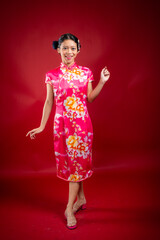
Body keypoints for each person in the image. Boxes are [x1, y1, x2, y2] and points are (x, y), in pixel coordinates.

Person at [26, 33, 110, 229]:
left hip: (82, 127)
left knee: (77, 165)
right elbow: (49, 102)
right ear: (58, 50)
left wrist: (102, 82)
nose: (69, 52)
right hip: (62, 126)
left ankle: (69, 208)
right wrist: (41, 126)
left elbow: (89, 98)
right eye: (65, 48)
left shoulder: (86, 72)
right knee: (73, 166)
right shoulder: (52, 75)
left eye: (73, 48)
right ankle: (81, 198)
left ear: (78, 50)